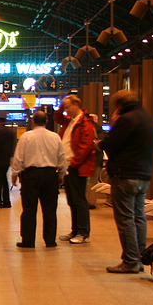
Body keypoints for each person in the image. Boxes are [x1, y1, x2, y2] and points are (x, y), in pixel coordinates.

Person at [98, 89, 153, 273]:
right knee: (139, 217)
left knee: (125, 219)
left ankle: (130, 261)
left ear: (119, 104)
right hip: (143, 176)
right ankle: (139, 258)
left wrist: (101, 141)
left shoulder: (126, 120)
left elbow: (110, 144)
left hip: (125, 175)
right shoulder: (147, 118)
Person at [10, 109, 68, 248]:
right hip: (50, 176)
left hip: (30, 176)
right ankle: (50, 240)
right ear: (47, 121)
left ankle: (28, 241)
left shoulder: (26, 137)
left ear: (33, 122)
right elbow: (62, 157)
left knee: (29, 209)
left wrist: (14, 174)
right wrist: (61, 175)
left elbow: (19, 157)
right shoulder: (55, 137)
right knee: (50, 210)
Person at [54, 94, 96, 244]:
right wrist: (62, 105)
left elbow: (86, 146)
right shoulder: (70, 121)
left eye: (67, 107)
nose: (65, 110)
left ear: (76, 105)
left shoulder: (85, 123)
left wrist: (74, 163)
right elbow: (57, 117)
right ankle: (75, 230)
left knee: (79, 200)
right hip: (68, 166)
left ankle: (83, 233)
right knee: (72, 200)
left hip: (77, 167)